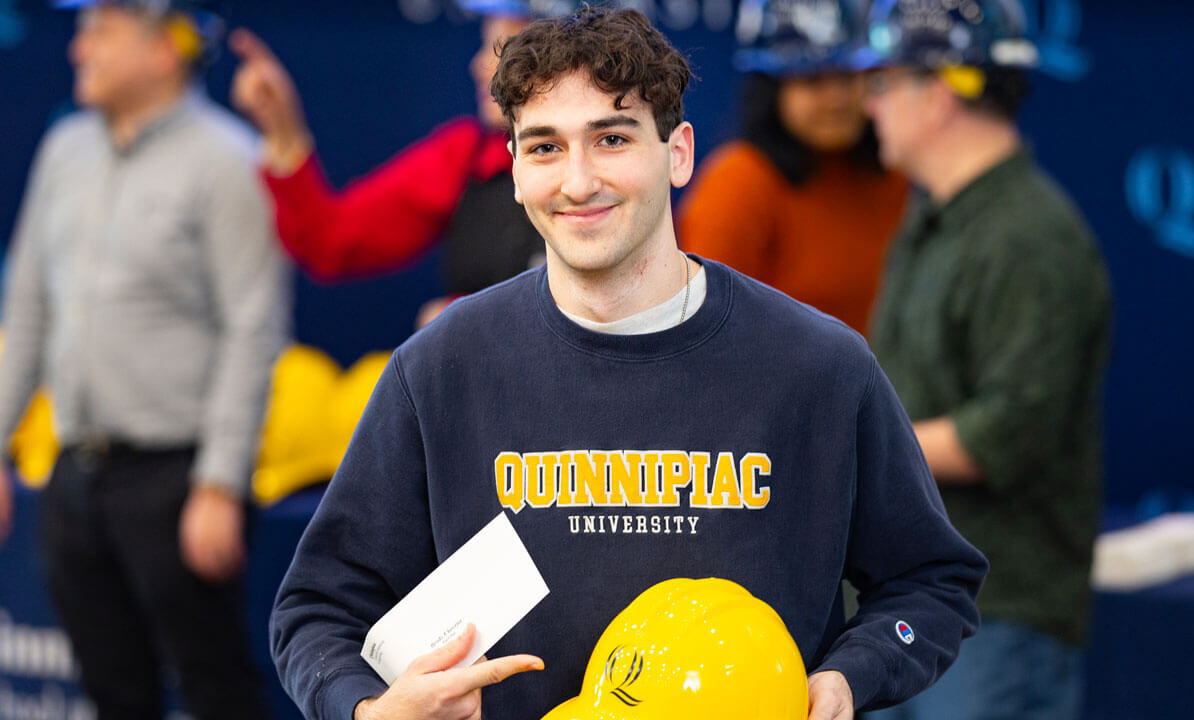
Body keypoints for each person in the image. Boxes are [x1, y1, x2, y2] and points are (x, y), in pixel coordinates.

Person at [270, 7, 987, 720]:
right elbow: (317, 608)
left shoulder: (819, 365)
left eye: (611, 139)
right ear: (514, 168)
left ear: (678, 153)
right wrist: (366, 710)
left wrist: (851, 676)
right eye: (545, 148)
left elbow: (929, 582)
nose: (578, 182)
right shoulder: (440, 370)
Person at [0, 1, 289, 717]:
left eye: (101, 31)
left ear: (164, 50)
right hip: (73, 474)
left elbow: (253, 328)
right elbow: (28, 306)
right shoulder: (65, 148)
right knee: (110, 688)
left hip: (177, 478)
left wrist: (219, 483)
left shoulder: (229, 160)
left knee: (215, 687)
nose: (78, 49)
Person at [859, 1, 1112, 718]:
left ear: (937, 94)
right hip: (910, 597)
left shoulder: (1032, 238)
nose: (869, 105)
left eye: (882, 84)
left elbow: (1009, 432)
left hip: (997, 612)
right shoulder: (931, 217)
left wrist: (855, 444)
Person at [230, 0, 570, 324]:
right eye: (486, 46)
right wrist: (283, 132)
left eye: (506, 49)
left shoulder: (611, 161)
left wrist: (470, 320)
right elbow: (331, 240)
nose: (481, 66)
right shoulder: (465, 155)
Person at [677, 0, 908, 334]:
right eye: (813, 80)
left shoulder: (890, 177)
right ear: (772, 91)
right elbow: (706, 329)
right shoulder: (738, 182)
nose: (836, 99)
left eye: (847, 78)